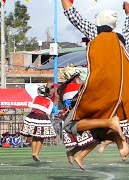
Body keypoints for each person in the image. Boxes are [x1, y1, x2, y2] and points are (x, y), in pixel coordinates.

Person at [61, 0, 129, 165]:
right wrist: (127, 13)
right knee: (98, 130)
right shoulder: (123, 38)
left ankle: (109, 123)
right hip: (121, 95)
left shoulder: (95, 32)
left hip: (99, 90)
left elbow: (73, 15)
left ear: (98, 22)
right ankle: (120, 142)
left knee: (70, 124)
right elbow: (127, 25)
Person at [57, 70, 98, 170]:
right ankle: (79, 157)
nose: (80, 79)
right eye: (78, 77)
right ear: (75, 78)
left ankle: (72, 153)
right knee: (96, 139)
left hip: (73, 119)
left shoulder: (66, 88)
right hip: (77, 119)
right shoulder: (75, 87)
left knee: (88, 141)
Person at [20, 86, 57, 162]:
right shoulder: (49, 101)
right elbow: (50, 111)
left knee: (34, 136)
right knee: (41, 137)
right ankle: (36, 153)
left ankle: (34, 153)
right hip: (42, 117)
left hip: (32, 116)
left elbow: (32, 105)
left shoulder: (36, 98)